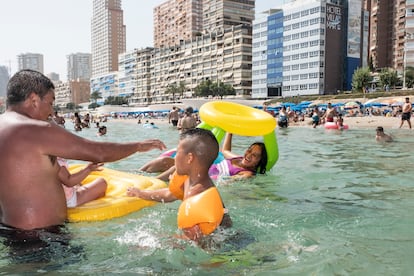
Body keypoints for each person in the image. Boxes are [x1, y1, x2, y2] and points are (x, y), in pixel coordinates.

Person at [0, 69, 166, 231]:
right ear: (34, 99)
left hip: (8, 228)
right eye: (50, 103)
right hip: (44, 236)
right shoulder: (37, 129)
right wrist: (137, 146)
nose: (51, 111)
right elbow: (98, 152)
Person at [127, 128, 232, 244]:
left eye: (177, 152)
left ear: (190, 158)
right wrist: (141, 193)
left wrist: (155, 240)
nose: (175, 157)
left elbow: (197, 244)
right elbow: (169, 194)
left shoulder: (197, 195)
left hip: (226, 245)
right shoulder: (190, 178)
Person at [140, 132, 268, 182]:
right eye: (249, 150)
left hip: (204, 176)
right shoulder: (239, 158)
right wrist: (230, 131)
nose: (249, 155)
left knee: (182, 167)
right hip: (202, 168)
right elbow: (225, 150)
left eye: (255, 155)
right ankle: (137, 174)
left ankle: (153, 181)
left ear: (258, 162)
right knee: (165, 161)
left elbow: (227, 181)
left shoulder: (247, 173)